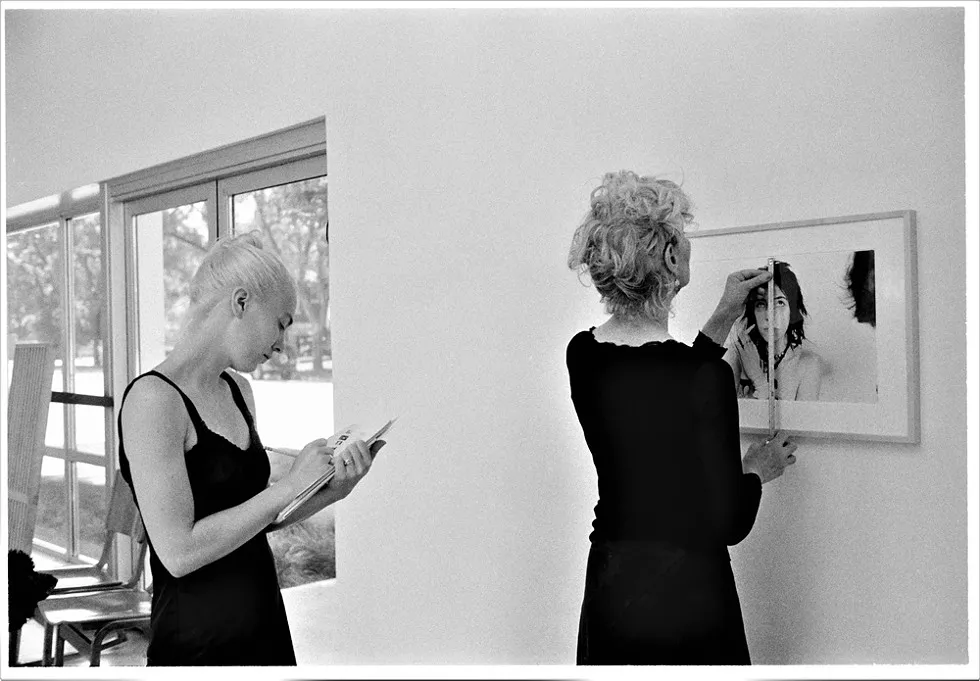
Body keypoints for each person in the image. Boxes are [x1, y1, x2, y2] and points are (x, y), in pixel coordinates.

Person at [118, 231, 383, 666]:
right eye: (281, 322)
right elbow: (180, 552)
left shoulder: (239, 390)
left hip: (263, 624)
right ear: (241, 302)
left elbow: (253, 522)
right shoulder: (153, 400)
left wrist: (331, 491)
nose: (282, 345)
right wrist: (287, 485)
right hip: (196, 641)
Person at [566, 170, 799, 665]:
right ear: (671, 257)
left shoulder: (582, 355)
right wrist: (758, 467)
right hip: (688, 597)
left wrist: (719, 320)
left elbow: (657, 392)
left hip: (613, 587)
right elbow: (729, 521)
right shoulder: (703, 380)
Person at [726, 261, 822, 401]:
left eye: (779, 303)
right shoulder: (736, 355)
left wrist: (759, 380)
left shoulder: (808, 364)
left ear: (792, 311)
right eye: (761, 304)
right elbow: (719, 417)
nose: (770, 316)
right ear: (753, 312)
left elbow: (800, 422)